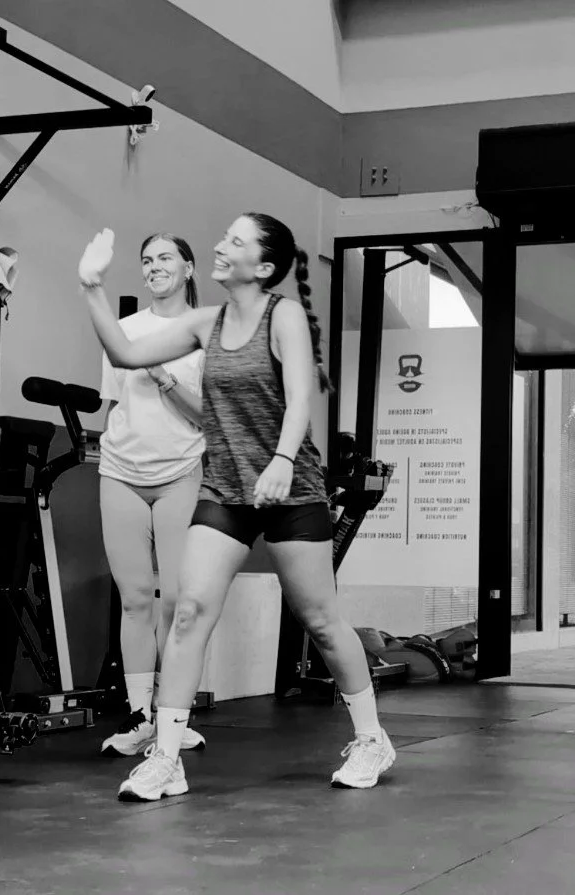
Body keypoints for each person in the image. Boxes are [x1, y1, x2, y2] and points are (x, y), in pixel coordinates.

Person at [77, 213, 396, 801]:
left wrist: (279, 458)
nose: (221, 246)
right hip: (225, 491)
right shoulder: (206, 322)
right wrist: (92, 286)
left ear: (264, 266)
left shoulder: (285, 315)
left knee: (321, 622)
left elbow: (301, 393)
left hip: (290, 489)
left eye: (235, 242)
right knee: (190, 610)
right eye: (223, 237)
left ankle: (372, 737)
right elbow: (123, 352)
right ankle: (166, 756)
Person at [97, 233, 209, 757]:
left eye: (165, 257)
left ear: (188, 268)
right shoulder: (123, 331)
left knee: (180, 605)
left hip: (180, 473)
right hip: (120, 471)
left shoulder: (205, 330)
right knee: (136, 598)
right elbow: (112, 406)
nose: (154, 266)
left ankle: (173, 715)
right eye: (146, 260)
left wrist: (162, 375)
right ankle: (140, 716)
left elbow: (207, 416)